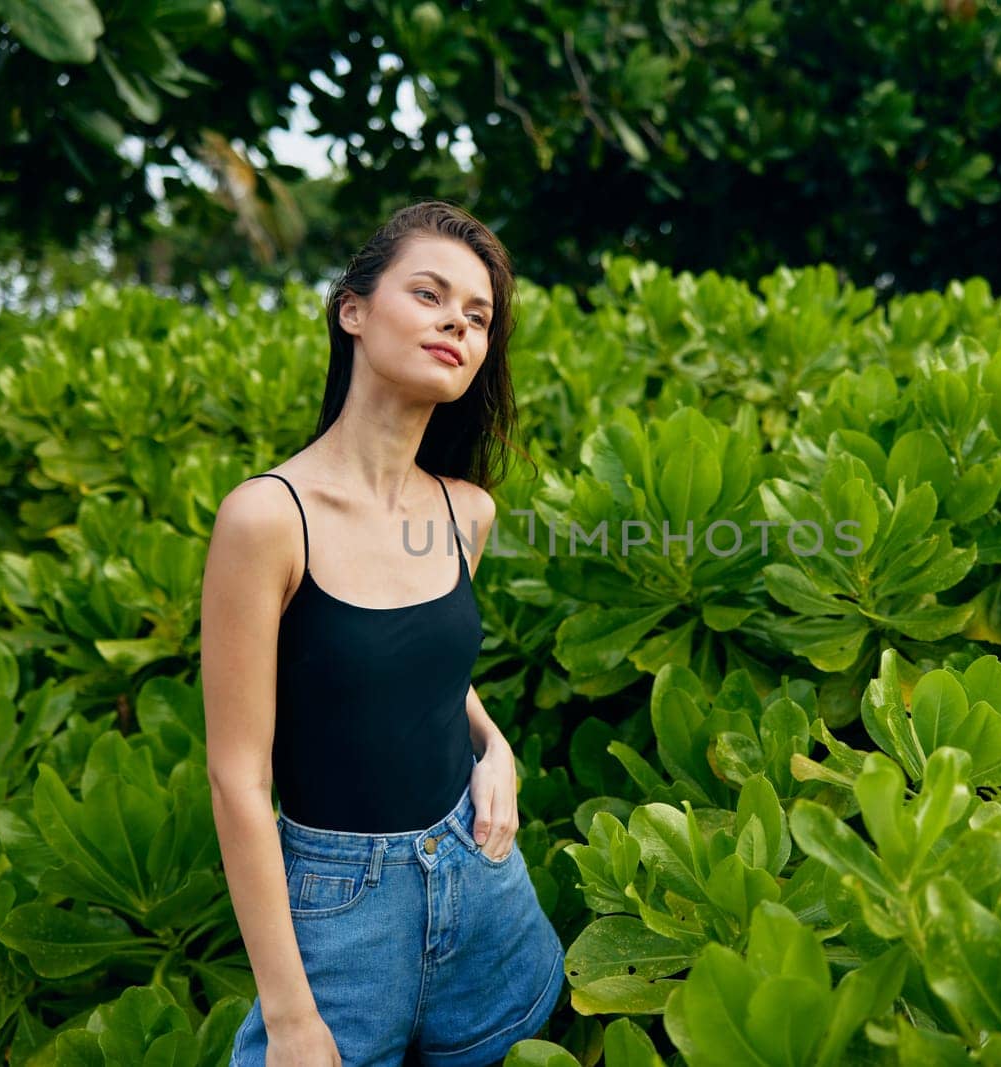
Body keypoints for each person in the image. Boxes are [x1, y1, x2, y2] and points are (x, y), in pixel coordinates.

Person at [200, 200, 563, 1067]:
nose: (457, 324)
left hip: (487, 890)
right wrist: (290, 1019)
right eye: (430, 295)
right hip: (337, 915)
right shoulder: (267, 518)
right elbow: (238, 776)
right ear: (351, 310)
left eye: (477, 317)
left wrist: (496, 745)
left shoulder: (465, 510)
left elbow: (417, 669)